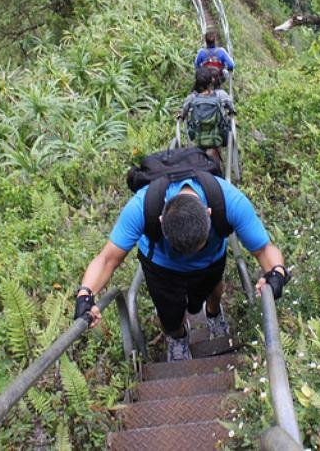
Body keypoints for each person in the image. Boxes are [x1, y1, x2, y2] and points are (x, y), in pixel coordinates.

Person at [73, 157, 290, 362]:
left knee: (213, 287)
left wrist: (277, 273)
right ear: (160, 220)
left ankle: (214, 315)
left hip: (211, 261)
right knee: (170, 315)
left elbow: (263, 249)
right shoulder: (141, 207)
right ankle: (178, 339)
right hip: (161, 267)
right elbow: (107, 259)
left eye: (198, 245)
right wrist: (85, 295)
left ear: (209, 213)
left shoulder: (229, 200)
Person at [179, 66, 235, 164]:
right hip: (216, 138)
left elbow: (183, 113)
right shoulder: (220, 95)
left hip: (198, 137)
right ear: (212, 80)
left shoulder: (192, 98)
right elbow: (231, 107)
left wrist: (181, 116)